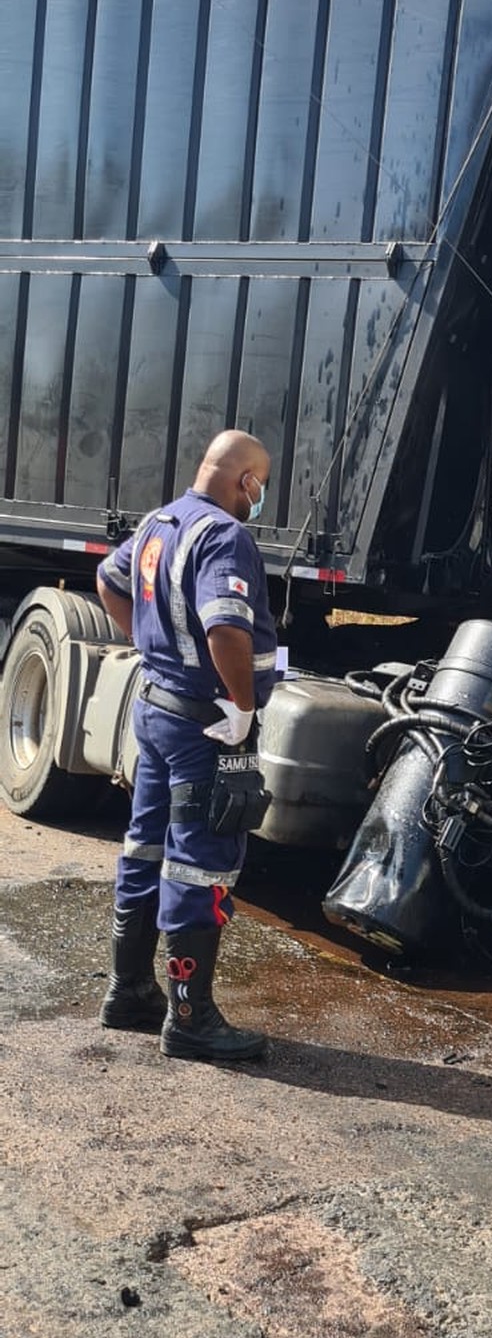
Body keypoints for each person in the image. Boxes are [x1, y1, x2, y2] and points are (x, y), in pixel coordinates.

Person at [95, 429, 279, 1063]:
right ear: (244, 481)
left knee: (146, 847)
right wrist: (243, 706)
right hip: (204, 723)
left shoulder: (158, 522)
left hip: (156, 711)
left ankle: (129, 992)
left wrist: (156, 648)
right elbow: (226, 626)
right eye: (261, 484)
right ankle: (191, 1019)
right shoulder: (225, 536)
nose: (260, 496)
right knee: (200, 860)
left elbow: (107, 578)